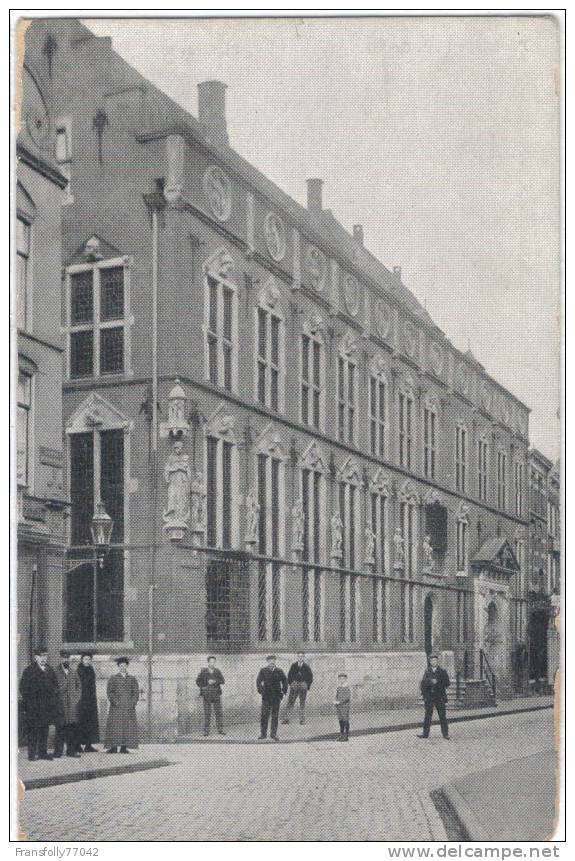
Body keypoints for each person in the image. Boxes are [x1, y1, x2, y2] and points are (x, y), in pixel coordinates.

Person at [19, 647, 61, 761]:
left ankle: (43, 753)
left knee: (44, 730)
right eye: (41, 656)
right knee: (33, 730)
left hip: (47, 707)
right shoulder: (29, 670)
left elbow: (56, 686)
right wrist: (30, 703)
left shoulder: (50, 670)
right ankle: (32, 754)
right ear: (36, 657)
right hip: (33, 707)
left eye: (45, 656)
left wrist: (53, 694)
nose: (43, 658)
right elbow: (23, 688)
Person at [105, 657, 139, 753]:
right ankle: (114, 747)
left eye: (124, 665)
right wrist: (115, 702)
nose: (123, 667)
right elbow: (109, 692)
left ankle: (124, 747)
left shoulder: (132, 679)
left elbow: (136, 693)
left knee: (127, 727)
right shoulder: (113, 678)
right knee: (115, 727)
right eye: (121, 666)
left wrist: (132, 703)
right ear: (118, 667)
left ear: (127, 666)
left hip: (128, 707)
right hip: (116, 707)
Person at [54, 651, 82, 758]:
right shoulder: (55, 672)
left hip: (72, 707)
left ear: (69, 659)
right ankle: (58, 752)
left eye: (67, 658)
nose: (66, 660)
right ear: (60, 659)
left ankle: (71, 751)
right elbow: (52, 688)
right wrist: (60, 691)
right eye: (64, 658)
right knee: (60, 729)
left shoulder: (73, 672)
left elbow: (79, 686)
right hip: (60, 706)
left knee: (72, 730)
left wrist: (76, 698)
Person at [417, 653, 450, 740]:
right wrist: (430, 682)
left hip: (439, 696)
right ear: (430, 662)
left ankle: (445, 734)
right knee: (427, 716)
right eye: (432, 660)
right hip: (429, 697)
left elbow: (447, 683)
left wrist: (438, 682)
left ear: (437, 661)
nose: (433, 662)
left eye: (435, 660)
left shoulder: (442, 671)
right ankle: (425, 733)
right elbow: (423, 684)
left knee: (442, 716)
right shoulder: (427, 671)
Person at [256, 655, 288, 741]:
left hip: (276, 697)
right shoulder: (263, 671)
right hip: (266, 697)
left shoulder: (279, 671)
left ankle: (273, 734)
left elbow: (285, 681)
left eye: (273, 660)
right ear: (267, 661)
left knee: (275, 716)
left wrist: (283, 692)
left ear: (275, 661)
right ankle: (263, 734)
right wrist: (261, 691)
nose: (272, 662)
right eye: (270, 660)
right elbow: (258, 682)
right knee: (264, 715)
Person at [196, 656, 226, 736]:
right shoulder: (203, 672)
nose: (212, 663)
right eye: (211, 662)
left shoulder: (217, 671)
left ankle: (220, 730)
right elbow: (198, 682)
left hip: (216, 694)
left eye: (214, 662)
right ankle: (206, 731)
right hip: (207, 695)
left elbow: (223, 681)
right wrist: (206, 682)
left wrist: (215, 681)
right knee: (207, 713)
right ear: (208, 662)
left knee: (218, 713)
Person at [77, 652, 100, 752]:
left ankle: (88, 745)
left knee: (90, 724)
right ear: (82, 660)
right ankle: (77, 745)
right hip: (81, 702)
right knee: (79, 724)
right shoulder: (78, 671)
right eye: (85, 659)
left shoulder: (91, 670)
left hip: (90, 701)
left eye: (89, 659)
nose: (87, 661)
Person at [282, 652, 313, 725]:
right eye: (299, 656)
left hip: (303, 686)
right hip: (294, 686)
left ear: (303, 658)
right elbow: (289, 675)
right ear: (297, 657)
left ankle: (302, 720)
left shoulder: (306, 666)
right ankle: (287, 719)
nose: (300, 658)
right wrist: (291, 683)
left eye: (302, 656)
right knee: (290, 702)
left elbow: (310, 677)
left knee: (302, 703)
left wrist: (306, 685)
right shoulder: (293, 665)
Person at [334, 673, 351, 742]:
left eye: (343, 679)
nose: (341, 680)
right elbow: (337, 696)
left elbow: (347, 698)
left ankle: (346, 736)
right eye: (340, 679)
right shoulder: (339, 687)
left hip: (345, 707)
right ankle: (341, 735)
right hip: (339, 707)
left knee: (345, 721)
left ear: (345, 679)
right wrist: (335, 701)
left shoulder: (347, 688)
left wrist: (339, 702)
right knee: (340, 721)